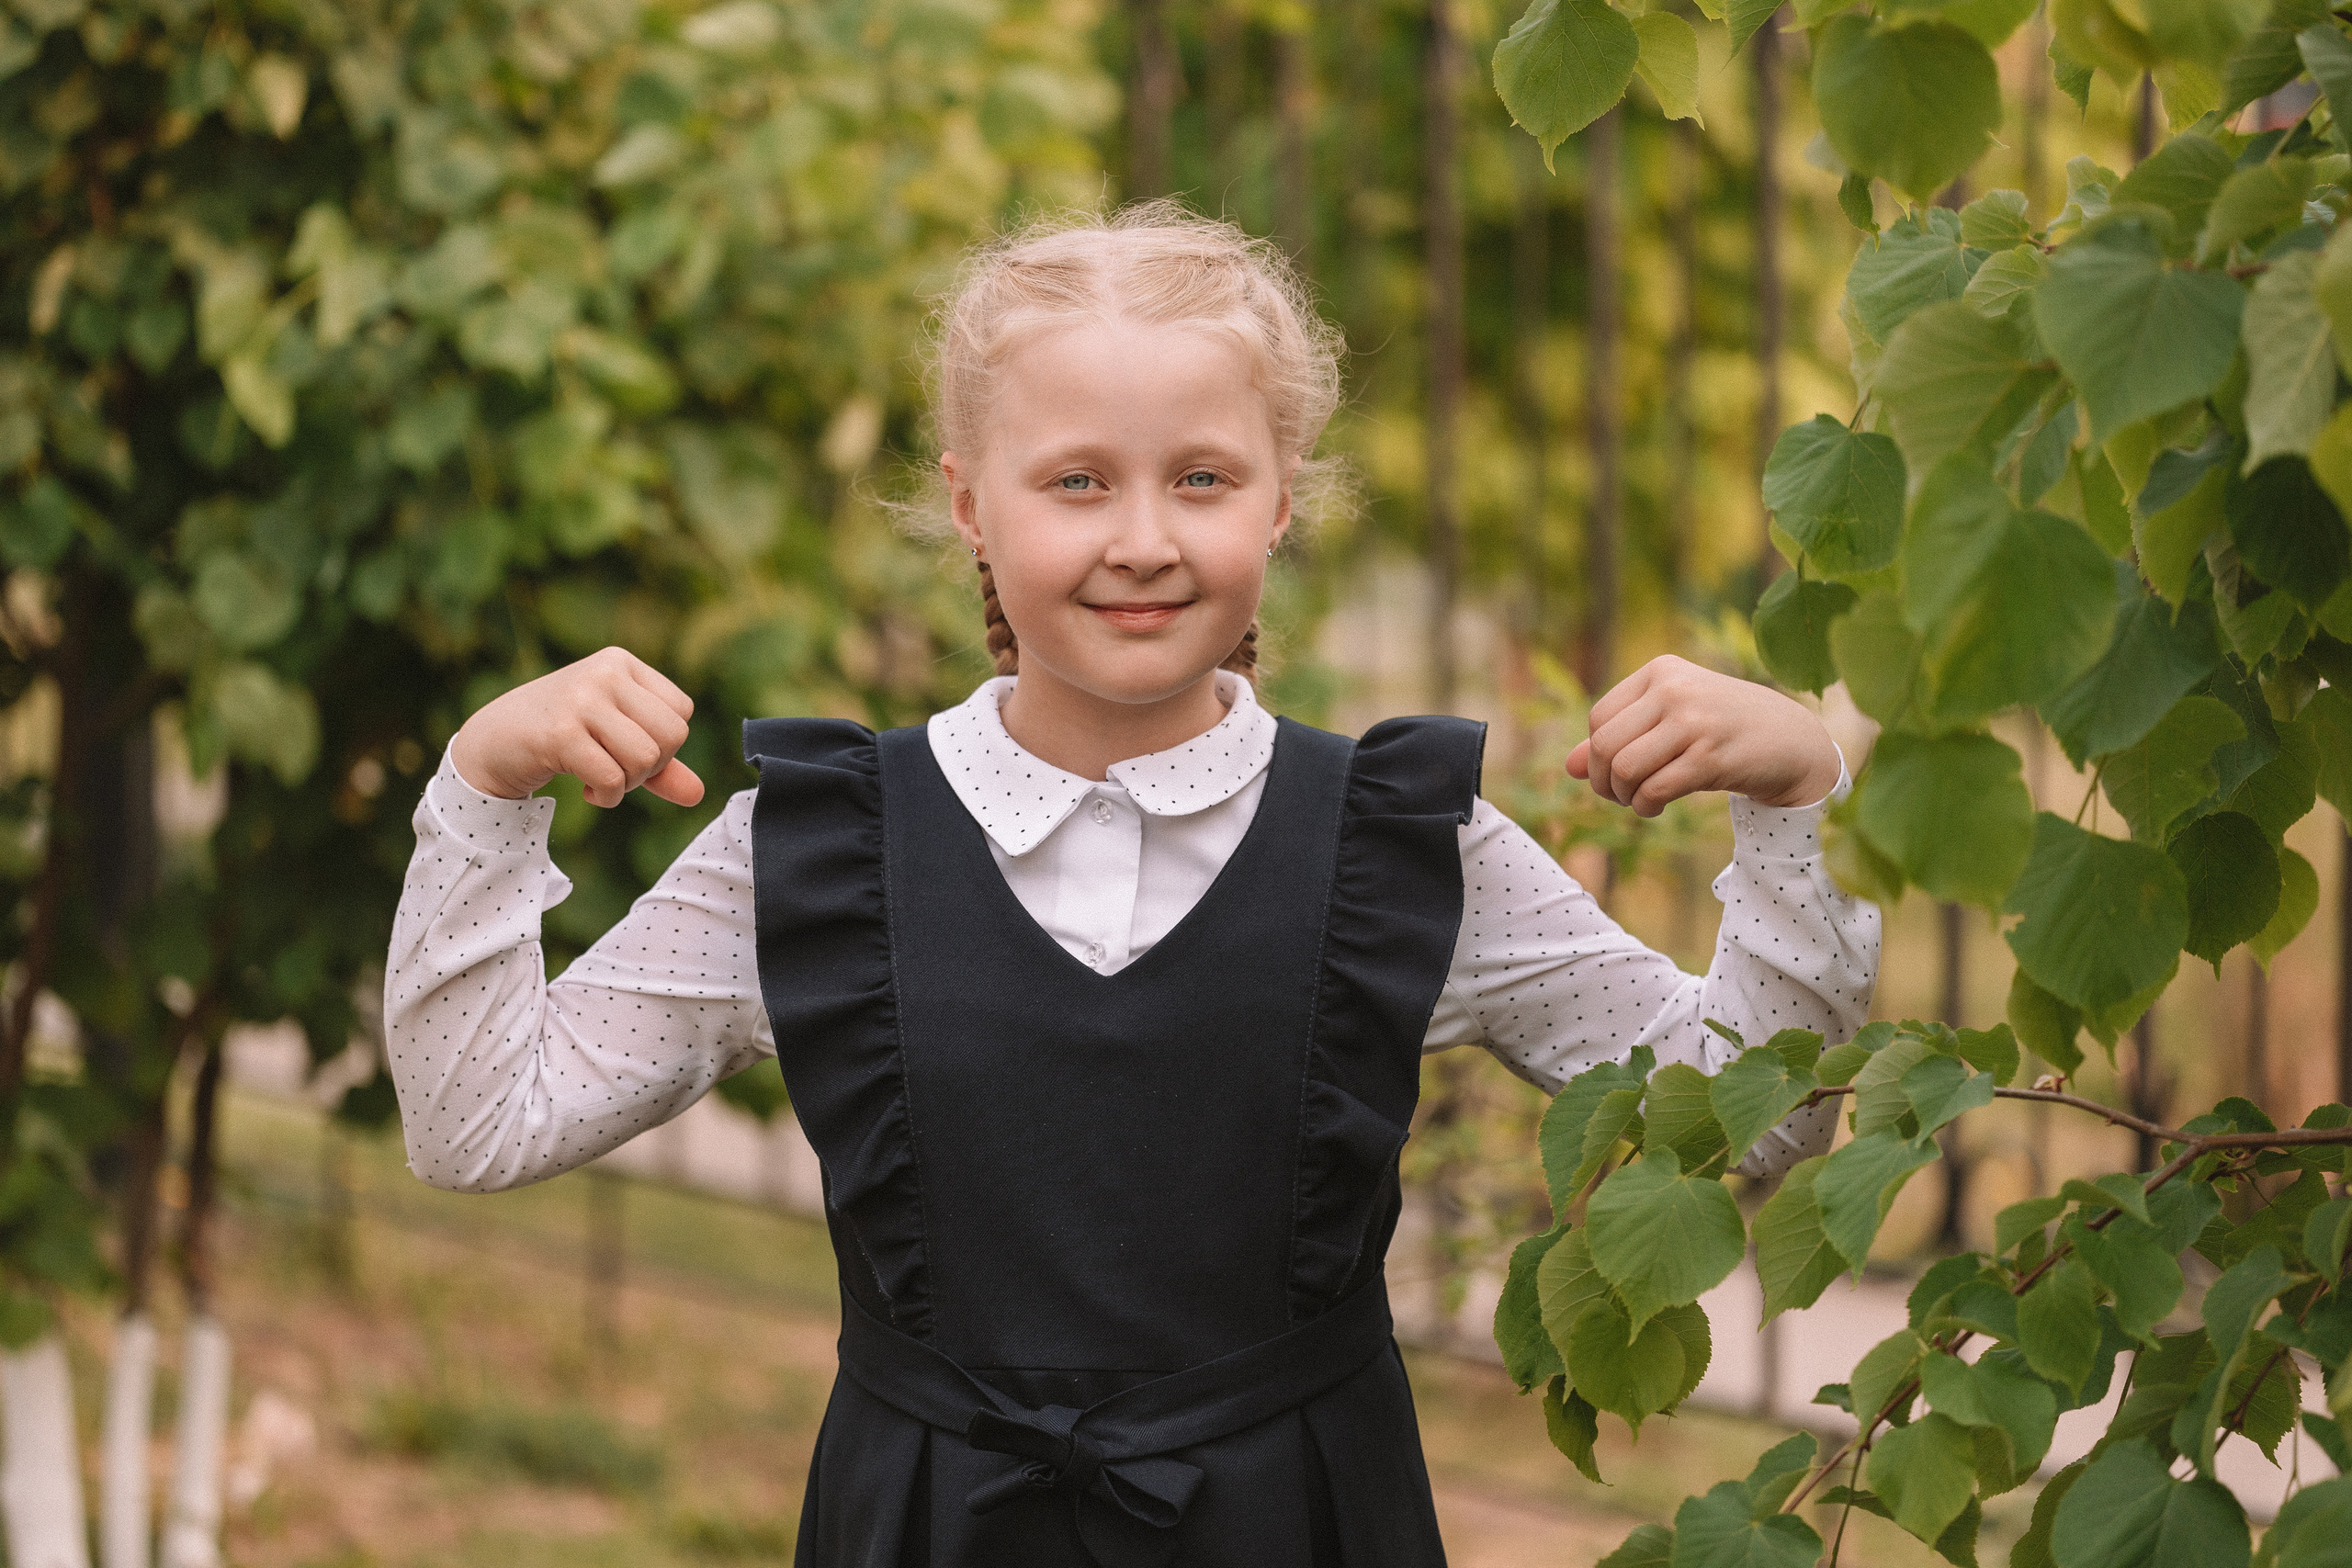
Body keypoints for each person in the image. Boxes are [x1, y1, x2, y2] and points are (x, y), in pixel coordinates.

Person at [385, 203, 1879, 1568]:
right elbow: (481, 1126)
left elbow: (1755, 1119)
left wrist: (1795, 807)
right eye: (1078, 481)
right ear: (971, 505)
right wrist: (484, 791)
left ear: (1282, 499)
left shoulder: (1408, 846)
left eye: (1204, 478)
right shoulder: (819, 851)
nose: (1144, 540)